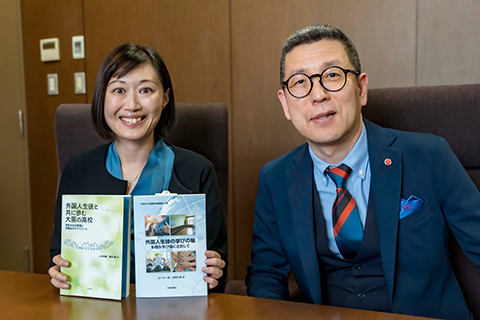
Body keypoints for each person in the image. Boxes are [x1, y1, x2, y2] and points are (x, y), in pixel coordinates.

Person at [246, 24, 480, 319]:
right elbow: (266, 274)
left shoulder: (429, 156)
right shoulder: (275, 178)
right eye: (300, 82)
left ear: (361, 88)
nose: (318, 95)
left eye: (332, 75)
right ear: (285, 103)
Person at [49, 43, 227, 292]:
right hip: (95, 310)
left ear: (165, 98)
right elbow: (59, 253)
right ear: (103, 99)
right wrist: (58, 270)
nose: (131, 105)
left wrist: (214, 270)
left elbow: (218, 268)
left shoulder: (197, 171)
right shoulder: (77, 169)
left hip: (173, 310)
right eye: (119, 90)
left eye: (145, 90)